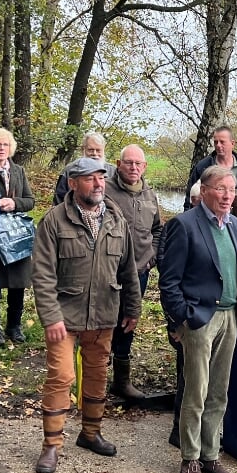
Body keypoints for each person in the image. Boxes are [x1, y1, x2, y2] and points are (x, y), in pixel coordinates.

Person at [159, 165, 237, 473]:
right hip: (200, 319)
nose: (228, 196)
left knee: (219, 392)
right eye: (221, 189)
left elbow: (235, 276)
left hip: (229, 317)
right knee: (195, 392)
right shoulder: (184, 226)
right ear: (206, 191)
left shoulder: (234, 224)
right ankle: (190, 459)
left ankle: (212, 456)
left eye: (231, 189)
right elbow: (168, 282)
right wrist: (182, 320)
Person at [31, 157, 142, 473]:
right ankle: (51, 446)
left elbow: (128, 269)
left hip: (105, 314)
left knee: (96, 376)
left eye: (101, 178)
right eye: (90, 178)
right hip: (64, 317)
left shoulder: (116, 219)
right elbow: (42, 274)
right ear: (72, 184)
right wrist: (51, 317)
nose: (98, 184)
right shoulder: (54, 221)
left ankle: (90, 434)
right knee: (62, 376)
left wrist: (132, 307)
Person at [104, 144, 162, 402]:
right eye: (129, 163)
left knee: (129, 320)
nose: (134, 168)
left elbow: (158, 230)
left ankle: (121, 380)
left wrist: (152, 257)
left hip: (139, 270)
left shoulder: (150, 195)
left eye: (138, 164)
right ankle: (95, 378)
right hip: (107, 270)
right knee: (105, 320)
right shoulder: (105, 190)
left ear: (145, 167)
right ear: (118, 163)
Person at [0, 128, 35, 346]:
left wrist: (14, 203)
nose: (1, 148)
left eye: (4, 145)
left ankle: (14, 325)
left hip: (15, 237)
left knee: (18, 283)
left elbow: (30, 200)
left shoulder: (18, 170)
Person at [165, 182, 202, 449]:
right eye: (199, 200)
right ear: (192, 201)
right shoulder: (179, 226)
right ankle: (179, 431)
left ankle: (198, 432)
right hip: (184, 318)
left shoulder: (221, 226)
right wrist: (175, 322)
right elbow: (169, 282)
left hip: (207, 317)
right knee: (186, 377)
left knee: (199, 379)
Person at [182, 126, 237, 210]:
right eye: (216, 142)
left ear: (232, 143)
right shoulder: (203, 167)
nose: (218, 145)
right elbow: (190, 198)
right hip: (207, 219)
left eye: (222, 142)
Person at [53, 131, 116, 205]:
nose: (95, 154)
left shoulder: (113, 172)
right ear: (83, 149)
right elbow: (58, 200)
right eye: (91, 150)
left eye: (98, 150)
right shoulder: (69, 171)